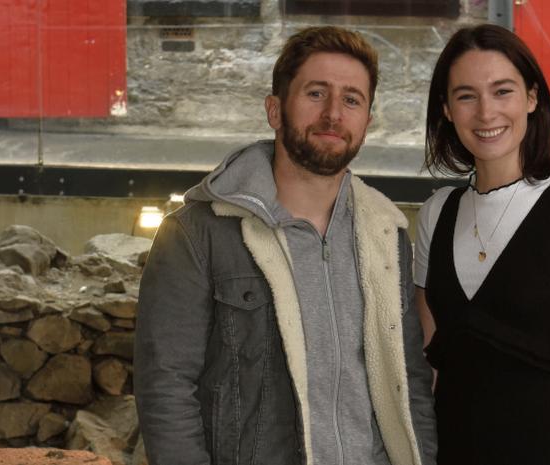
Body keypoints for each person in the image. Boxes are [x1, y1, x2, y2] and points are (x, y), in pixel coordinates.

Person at [134, 26, 436, 465]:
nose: (333, 113)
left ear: (367, 123)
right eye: (316, 94)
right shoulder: (198, 234)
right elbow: (166, 387)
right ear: (274, 110)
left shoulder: (387, 234)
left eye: (352, 99)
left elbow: (409, 384)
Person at [414, 24, 550, 465]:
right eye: (467, 95)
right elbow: (429, 364)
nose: (486, 112)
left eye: (502, 91)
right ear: (447, 110)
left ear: (532, 98)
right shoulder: (436, 213)